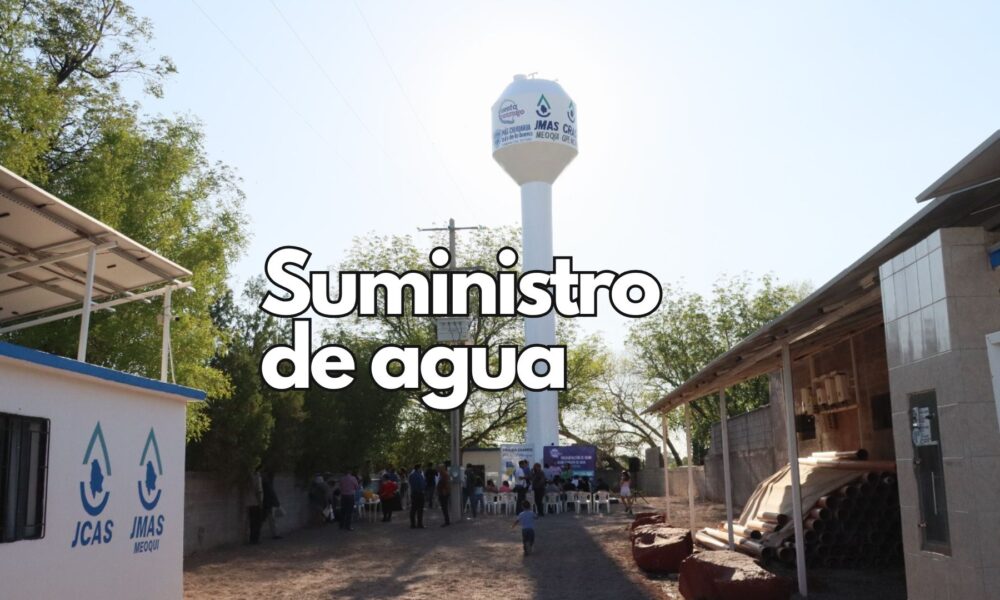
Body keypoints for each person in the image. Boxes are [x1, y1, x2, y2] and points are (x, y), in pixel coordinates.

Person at [262, 472, 282, 539]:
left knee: (271, 520)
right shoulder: (267, 485)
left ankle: (275, 534)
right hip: (269, 505)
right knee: (272, 520)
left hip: (268, 504)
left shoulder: (266, 485)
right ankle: (275, 534)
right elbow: (271, 495)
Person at [247, 469, 264, 544]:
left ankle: (252, 539)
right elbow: (259, 490)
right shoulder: (258, 476)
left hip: (249, 502)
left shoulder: (248, 477)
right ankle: (255, 539)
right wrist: (261, 503)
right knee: (257, 522)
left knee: (252, 522)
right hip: (256, 502)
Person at [408, 463, 426, 528]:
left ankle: (412, 524)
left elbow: (410, 483)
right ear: (418, 468)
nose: (422, 469)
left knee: (413, 509)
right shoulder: (420, 476)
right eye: (421, 468)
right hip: (420, 493)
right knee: (420, 510)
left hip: (413, 493)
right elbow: (423, 485)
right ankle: (419, 524)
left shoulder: (411, 475)